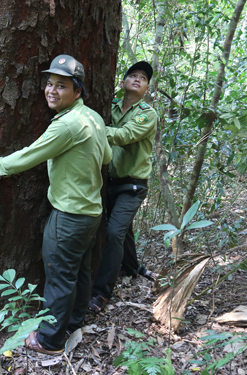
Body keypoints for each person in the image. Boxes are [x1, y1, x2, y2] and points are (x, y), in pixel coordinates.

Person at [0, 55, 112, 355]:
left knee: (60, 277)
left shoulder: (66, 126)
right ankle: (73, 322)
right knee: (79, 272)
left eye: (61, 86)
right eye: (49, 84)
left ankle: (50, 340)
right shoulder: (93, 118)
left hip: (69, 216)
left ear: (77, 91)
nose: (51, 91)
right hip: (90, 213)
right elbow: (107, 158)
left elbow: (30, 155)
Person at [88, 61, 159, 313]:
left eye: (143, 78)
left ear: (148, 88)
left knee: (114, 232)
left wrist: (87, 126)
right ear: (123, 82)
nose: (138, 79)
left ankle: (101, 293)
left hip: (133, 185)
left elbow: (125, 135)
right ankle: (132, 267)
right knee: (123, 229)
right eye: (133, 75)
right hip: (110, 182)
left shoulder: (146, 113)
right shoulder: (111, 109)